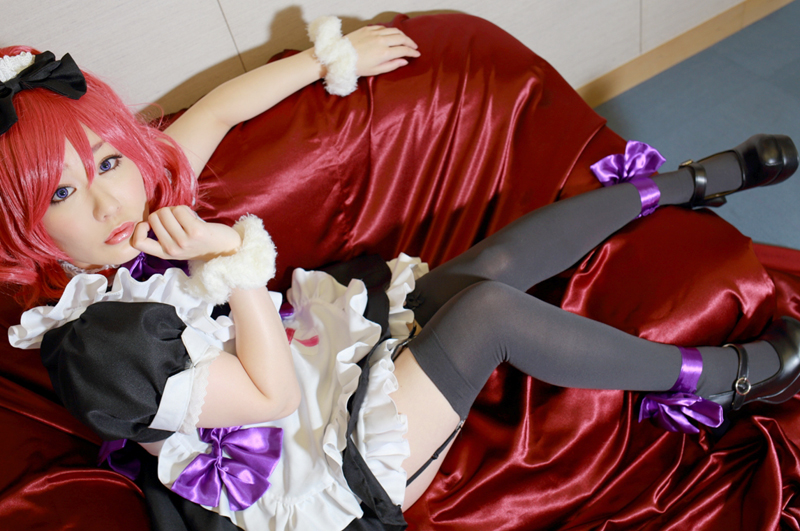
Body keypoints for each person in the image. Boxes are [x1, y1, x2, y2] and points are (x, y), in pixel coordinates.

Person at [2, 16, 799, 531]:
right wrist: (232, 261)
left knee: (484, 267)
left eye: (107, 159)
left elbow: (214, 112)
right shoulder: (95, 345)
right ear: (22, 222)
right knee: (486, 311)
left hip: (320, 371)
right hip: (312, 472)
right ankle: (722, 376)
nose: (108, 199)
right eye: (61, 193)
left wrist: (329, 58)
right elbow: (271, 397)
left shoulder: (144, 213)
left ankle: (686, 182)